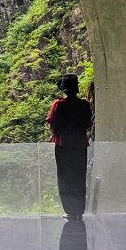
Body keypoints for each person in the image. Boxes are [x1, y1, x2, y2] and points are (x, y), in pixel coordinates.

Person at [47, 73, 93, 221]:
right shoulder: (84, 104)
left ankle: (70, 211)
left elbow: (53, 124)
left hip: (63, 145)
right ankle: (80, 210)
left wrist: (53, 135)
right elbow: (87, 124)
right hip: (80, 145)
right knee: (79, 176)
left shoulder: (58, 105)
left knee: (65, 177)